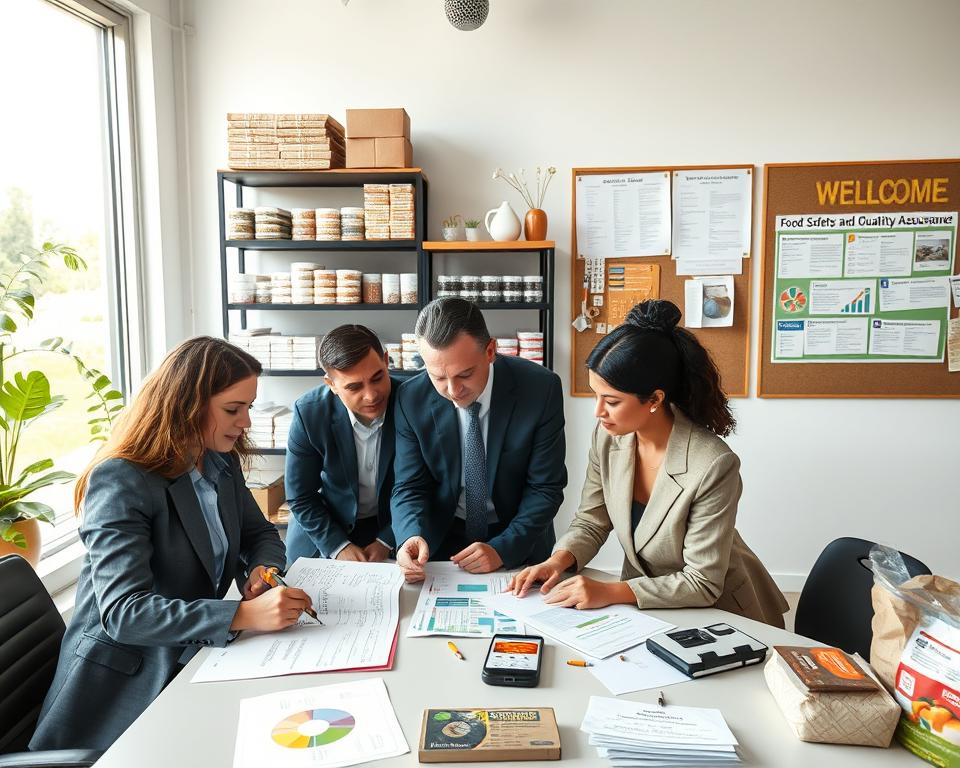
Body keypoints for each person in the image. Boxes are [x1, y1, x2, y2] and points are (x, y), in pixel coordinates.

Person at [30, 337, 311, 751]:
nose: (246, 422)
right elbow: (125, 613)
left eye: (249, 407)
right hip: (124, 687)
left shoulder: (220, 461)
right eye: (234, 409)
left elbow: (260, 534)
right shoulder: (121, 480)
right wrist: (242, 614)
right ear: (188, 404)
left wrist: (261, 570)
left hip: (191, 657)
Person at [509, 300, 788, 628]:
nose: (598, 412)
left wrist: (611, 591)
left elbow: (702, 582)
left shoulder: (713, 464)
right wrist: (558, 561)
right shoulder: (609, 437)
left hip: (719, 611)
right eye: (595, 396)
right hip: (645, 602)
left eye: (611, 401)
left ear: (655, 399)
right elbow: (592, 520)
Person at [392, 297, 566, 582]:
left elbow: (545, 487)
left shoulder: (540, 388)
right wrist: (411, 535)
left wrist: (502, 549)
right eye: (438, 377)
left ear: (490, 350)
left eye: (465, 374)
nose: (453, 390)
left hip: (518, 538)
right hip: (440, 542)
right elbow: (409, 485)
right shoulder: (411, 398)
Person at [284, 325, 403, 566]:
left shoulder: (411, 400)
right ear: (331, 384)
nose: (371, 395)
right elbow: (301, 496)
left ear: (386, 361)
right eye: (354, 387)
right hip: (327, 526)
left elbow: (428, 485)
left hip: (394, 524)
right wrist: (338, 547)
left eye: (377, 378)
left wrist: (386, 540)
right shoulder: (309, 413)